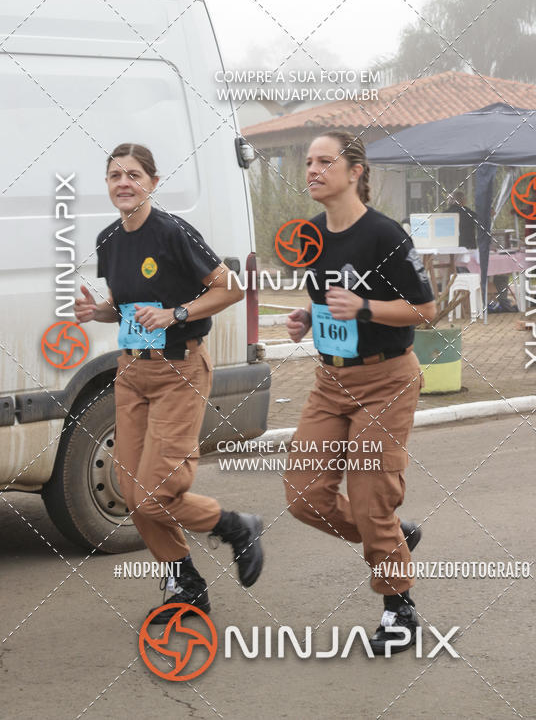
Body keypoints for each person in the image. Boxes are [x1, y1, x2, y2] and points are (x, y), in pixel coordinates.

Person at [74, 142, 264, 622]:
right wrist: (99, 312)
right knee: (127, 486)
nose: (124, 183)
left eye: (134, 175)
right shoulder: (108, 239)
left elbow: (230, 288)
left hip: (180, 368)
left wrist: (175, 313)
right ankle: (185, 584)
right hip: (131, 371)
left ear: (153, 183)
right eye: (115, 175)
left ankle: (235, 525)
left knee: (154, 492)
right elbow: (126, 304)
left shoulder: (174, 232)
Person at [283, 131, 436, 655]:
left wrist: (365, 308)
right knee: (304, 495)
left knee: (371, 497)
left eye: (325, 161)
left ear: (356, 172)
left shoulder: (384, 234)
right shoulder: (309, 235)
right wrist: (309, 318)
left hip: (385, 379)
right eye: (308, 162)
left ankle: (400, 609)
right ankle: (391, 536)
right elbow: (329, 302)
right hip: (330, 381)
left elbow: (426, 311)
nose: (313, 170)